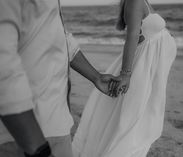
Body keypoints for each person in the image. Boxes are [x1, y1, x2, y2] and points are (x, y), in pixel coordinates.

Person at [0, 0, 118, 157]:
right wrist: (38, 150)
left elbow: (60, 37)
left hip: (57, 122)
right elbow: (3, 67)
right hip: (26, 134)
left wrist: (96, 77)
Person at [72, 0, 177, 156]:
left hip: (151, 68)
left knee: (139, 115)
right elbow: (133, 36)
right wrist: (126, 74)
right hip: (143, 67)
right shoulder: (134, 1)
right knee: (133, 117)